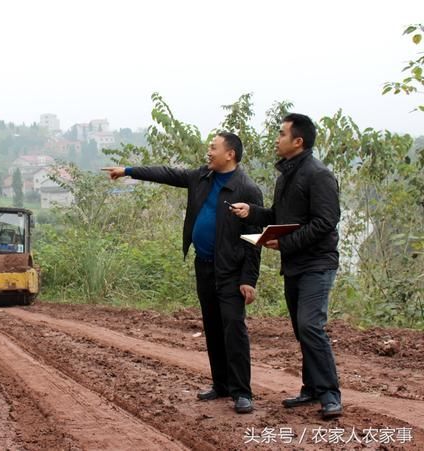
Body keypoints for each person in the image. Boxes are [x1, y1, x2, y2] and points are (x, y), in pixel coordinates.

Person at [103, 132, 263, 414]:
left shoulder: (247, 189)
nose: (208, 152)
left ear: (230, 154)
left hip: (230, 270)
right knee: (212, 325)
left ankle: (242, 392)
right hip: (204, 265)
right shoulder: (201, 177)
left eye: (213, 148)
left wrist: (249, 279)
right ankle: (221, 385)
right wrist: (128, 170)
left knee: (233, 328)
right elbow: (167, 173)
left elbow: (254, 239)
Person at [230, 113, 343, 419]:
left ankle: (330, 394)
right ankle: (311, 388)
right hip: (294, 263)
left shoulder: (318, 174)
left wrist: (287, 243)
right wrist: (251, 212)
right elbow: (278, 217)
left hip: (317, 263)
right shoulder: (286, 176)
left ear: (298, 141)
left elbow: (326, 221)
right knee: (300, 327)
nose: (276, 139)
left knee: (310, 325)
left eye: (281, 134)